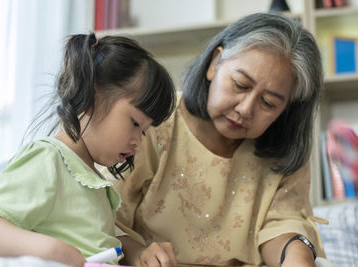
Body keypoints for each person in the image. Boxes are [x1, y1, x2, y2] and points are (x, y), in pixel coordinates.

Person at [107, 12, 333, 267]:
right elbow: (108, 219)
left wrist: (298, 255)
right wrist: (139, 254)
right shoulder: (153, 121)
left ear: (287, 109)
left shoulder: (285, 149)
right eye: (240, 84)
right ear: (215, 63)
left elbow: (282, 225)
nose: (246, 109)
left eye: (268, 103)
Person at [0, 33, 176, 267]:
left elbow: (107, 239)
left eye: (144, 131)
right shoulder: (48, 159)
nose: (138, 141)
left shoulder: (89, 178)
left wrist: (140, 254)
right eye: (135, 123)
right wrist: (47, 248)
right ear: (91, 98)